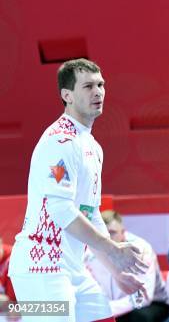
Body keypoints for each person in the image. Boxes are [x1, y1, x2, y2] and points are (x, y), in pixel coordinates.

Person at [8, 58, 147, 322]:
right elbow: (60, 209)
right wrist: (113, 250)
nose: (98, 91)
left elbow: (91, 213)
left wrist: (116, 270)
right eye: (88, 86)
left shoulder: (92, 147)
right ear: (67, 95)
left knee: (102, 316)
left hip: (73, 269)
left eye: (101, 84)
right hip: (42, 270)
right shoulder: (59, 141)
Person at [85, 210, 169, 322]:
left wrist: (107, 310)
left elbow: (144, 297)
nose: (107, 238)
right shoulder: (90, 253)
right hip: (111, 306)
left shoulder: (140, 250)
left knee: (137, 318)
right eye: (103, 234)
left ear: (123, 232)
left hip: (152, 304)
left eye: (112, 232)